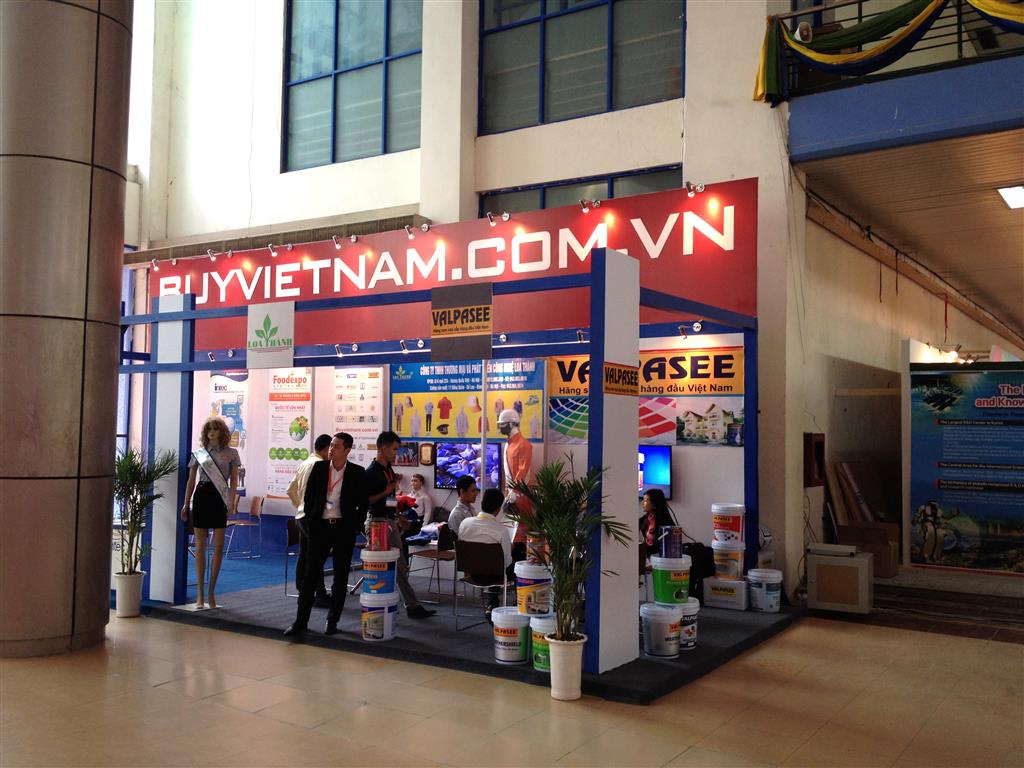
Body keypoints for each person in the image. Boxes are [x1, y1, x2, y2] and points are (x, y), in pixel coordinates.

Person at [285, 432, 367, 638]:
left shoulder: (357, 472)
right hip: (320, 527)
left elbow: (363, 503)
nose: (331, 449)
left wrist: (355, 526)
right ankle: (300, 621)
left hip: (343, 528)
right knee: (311, 575)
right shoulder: (319, 468)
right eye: (331, 445)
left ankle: (332, 621)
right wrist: (311, 522)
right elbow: (309, 498)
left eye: (337, 446)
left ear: (347, 450)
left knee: (340, 576)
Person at [365, 431, 435, 619]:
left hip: (389, 520)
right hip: (377, 522)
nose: (396, 454)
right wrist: (387, 491)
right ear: (383, 448)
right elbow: (367, 500)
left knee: (400, 564)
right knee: (386, 565)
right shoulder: (372, 472)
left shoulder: (388, 470)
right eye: (394, 450)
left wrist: (398, 517)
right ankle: (393, 604)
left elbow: (390, 499)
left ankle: (410, 604)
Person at [180, 417, 240, 610]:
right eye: (209, 429)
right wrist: (185, 504)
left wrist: (231, 502)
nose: (212, 432)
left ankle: (211, 592)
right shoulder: (199, 454)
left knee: (219, 547)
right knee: (200, 546)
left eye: (215, 429)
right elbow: (191, 481)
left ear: (222, 432)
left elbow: (233, 481)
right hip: (202, 496)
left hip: (219, 498)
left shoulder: (232, 453)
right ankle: (200, 593)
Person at [457, 488, 519, 619]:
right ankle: (516, 603)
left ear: (482, 503)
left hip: (472, 573)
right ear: (499, 508)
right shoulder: (501, 531)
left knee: (494, 563)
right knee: (518, 561)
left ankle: (492, 602)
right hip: (495, 576)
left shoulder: (465, 524)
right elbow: (506, 562)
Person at [286, 433, 332, 600]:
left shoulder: (304, 463)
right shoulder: (321, 465)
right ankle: (319, 594)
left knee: (305, 554)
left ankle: (303, 590)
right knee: (316, 556)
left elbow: (290, 490)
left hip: (301, 516)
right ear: (326, 449)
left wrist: (300, 506)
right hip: (313, 516)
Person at [639, 488, 675, 564]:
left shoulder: (666, 523)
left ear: (654, 504)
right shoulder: (644, 519)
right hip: (648, 559)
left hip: (662, 562)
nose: (642, 503)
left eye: (645, 501)